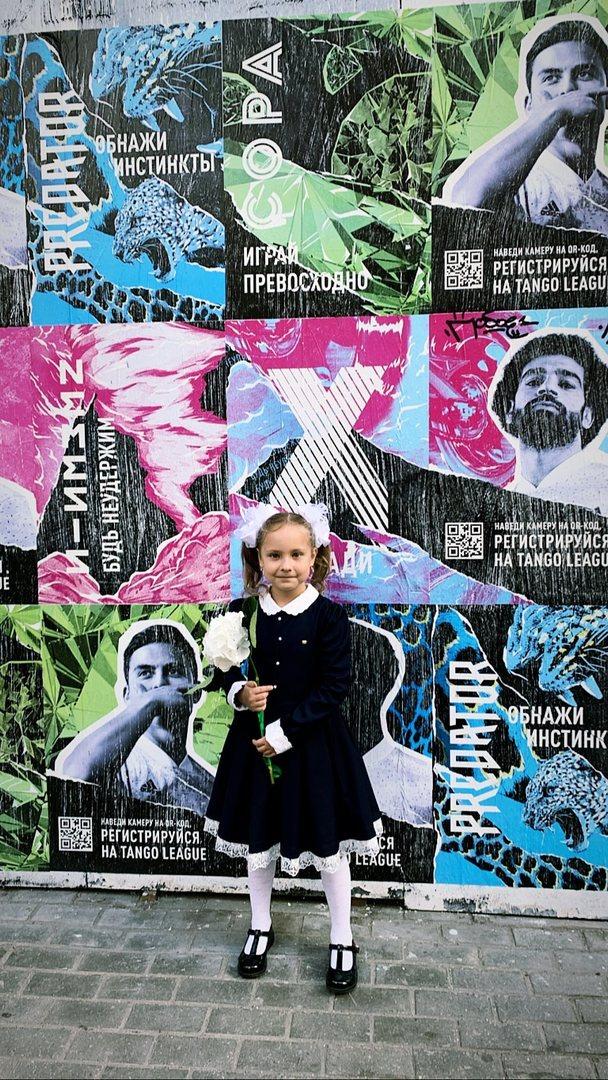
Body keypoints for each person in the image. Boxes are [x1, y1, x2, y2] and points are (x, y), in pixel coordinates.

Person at [204, 503, 382, 994]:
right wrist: (239, 694)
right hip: (253, 748)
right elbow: (223, 672)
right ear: (258, 558)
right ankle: (260, 925)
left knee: (328, 843)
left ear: (314, 558)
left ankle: (341, 934)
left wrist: (284, 732)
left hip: (314, 748)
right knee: (259, 840)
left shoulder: (328, 616)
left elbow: (335, 685)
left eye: (296, 555)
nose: (285, 565)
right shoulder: (243, 613)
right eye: (274, 555)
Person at [444, 16, 608, 234]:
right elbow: (462, 208)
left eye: (584, 74)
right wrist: (557, 111)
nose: (567, 88)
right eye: (551, 78)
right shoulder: (514, 185)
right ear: (529, 106)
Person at [54, 620, 214, 816]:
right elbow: (72, 780)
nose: (159, 683)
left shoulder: (212, 786)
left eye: (173, 671)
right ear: (126, 695)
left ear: (196, 691)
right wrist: (152, 701)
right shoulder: (114, 765)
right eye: (145, 673)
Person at [488, 330, 608, 513]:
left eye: (566, 384)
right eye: (534, 381)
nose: (546, 388)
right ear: (510, 410)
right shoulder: (498, 509)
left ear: (587, 416)